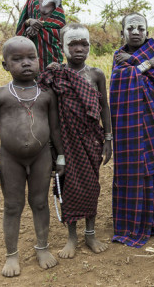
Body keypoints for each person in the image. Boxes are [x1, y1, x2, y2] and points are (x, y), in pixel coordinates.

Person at [0, 36, 65, 277]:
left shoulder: (47, 94)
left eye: (31, 58)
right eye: (17, 59)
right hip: (11, 160)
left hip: (41, 158)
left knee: (40, 203)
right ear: (5, 65)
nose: (26, 63)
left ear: (39, 60)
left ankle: (42, 247)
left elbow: (55, 129)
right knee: (12, 206)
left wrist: (60, 157)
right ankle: (11, 255)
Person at [38, 23, 111, 258]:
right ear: (62, 47)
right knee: (67, 187)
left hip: (91, 140)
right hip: (65, 141)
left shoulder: (96, 74)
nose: (78, 48)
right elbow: (45, 109)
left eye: (84, 44)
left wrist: (108, 138)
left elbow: (104, 108)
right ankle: (72, 236)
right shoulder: (55, 73)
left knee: (92, 187)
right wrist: (53, 149)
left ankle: (90, 233)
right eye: (73, 44)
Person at [110, 13, 154, 248]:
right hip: (130, 130)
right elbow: (120, 80)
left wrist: (139, 65)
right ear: (122, 32)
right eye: (130, 28)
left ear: (147, 32)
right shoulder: (119, 57)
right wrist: (144, 65)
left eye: (141, 28)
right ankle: (132, 222)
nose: (136, 32)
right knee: (133, 172)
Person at [16, 0, 64, 71]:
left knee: (53, 71)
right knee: (32, 68)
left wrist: (39, 25)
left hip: (49, 40)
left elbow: (60, 22)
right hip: (32, 39)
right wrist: (30, 22)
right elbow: (24, 19)